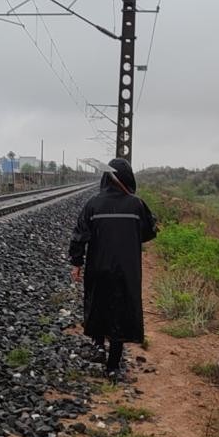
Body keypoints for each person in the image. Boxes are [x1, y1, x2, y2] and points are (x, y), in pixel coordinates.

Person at [69, 158, 158, 376]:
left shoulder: (93, 204)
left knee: (98, 304)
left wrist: (77, 263)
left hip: (98, 267)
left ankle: (98, 346)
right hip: (127, 270)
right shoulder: (137, 204)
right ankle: (113, 365)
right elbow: (150, 231)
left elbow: (79, 236)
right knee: (122, 311)